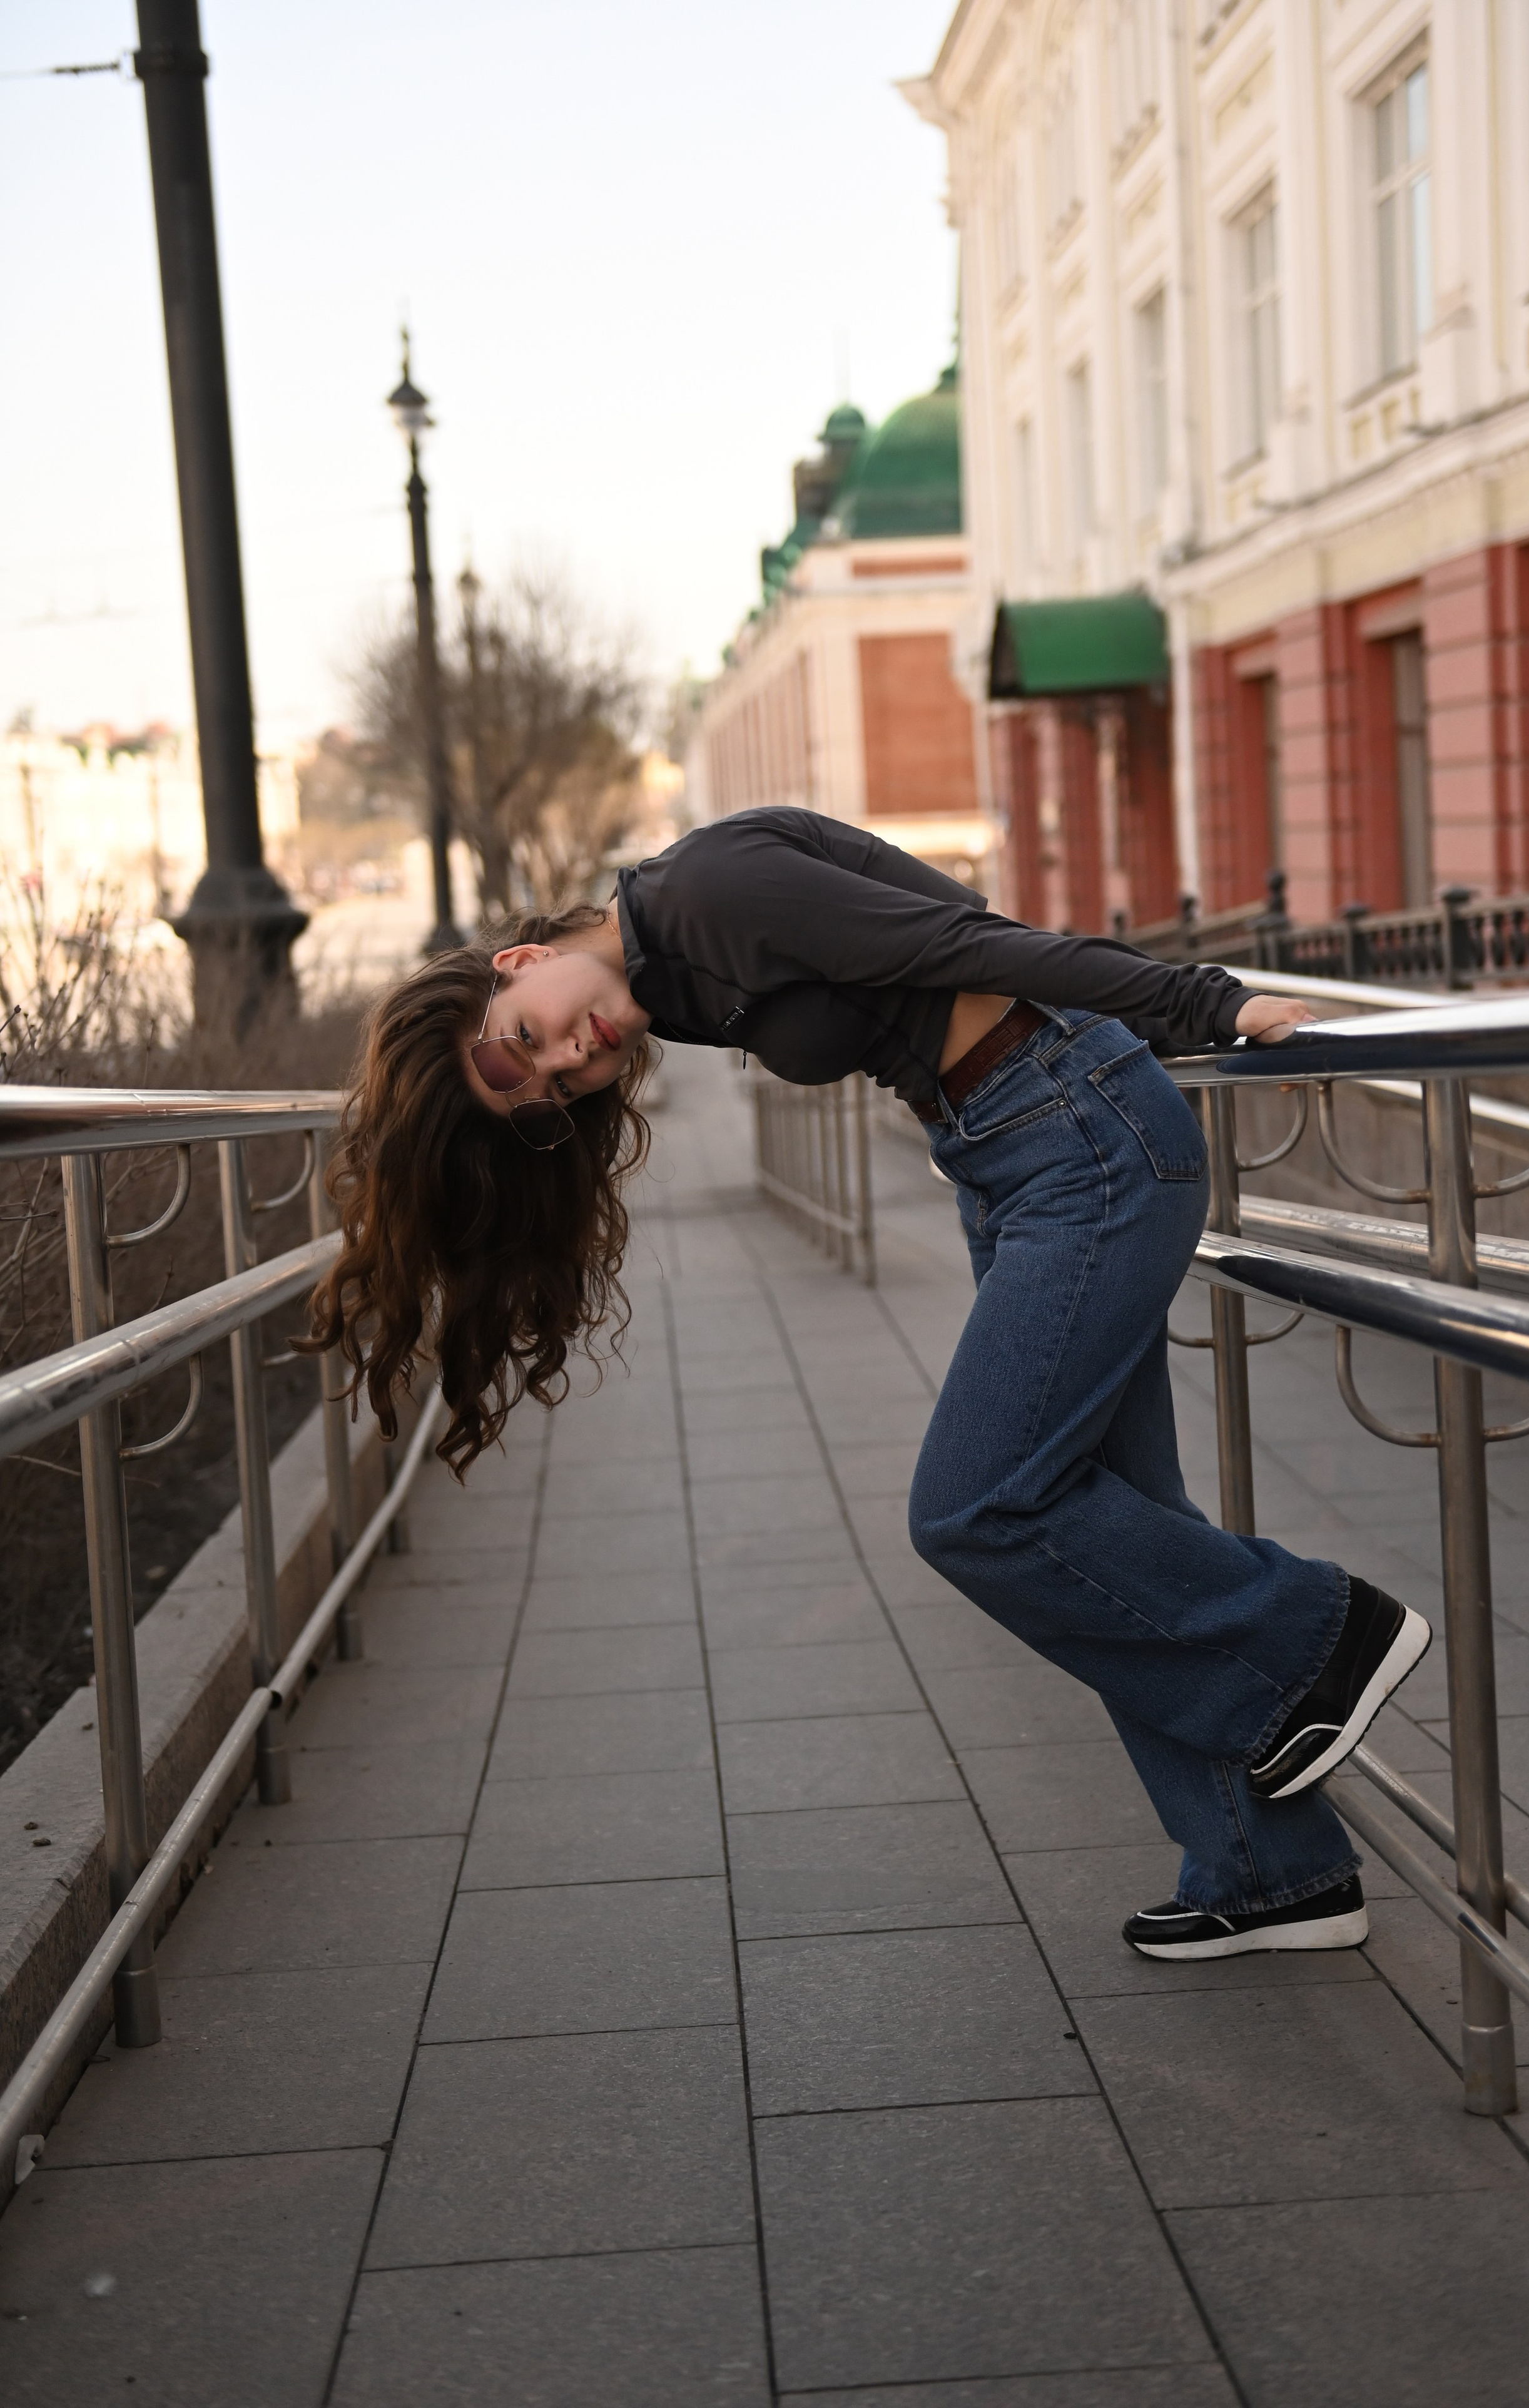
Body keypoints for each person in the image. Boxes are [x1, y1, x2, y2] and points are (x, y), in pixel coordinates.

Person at [310, 805, 1430, 1961]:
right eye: (538, 1090)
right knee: (1121, 1522)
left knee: (977, 1507)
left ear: (518, 962)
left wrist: (1201, 1000)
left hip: (1079, 1138)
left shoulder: (707, 894)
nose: (566, 1061)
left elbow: (971, 945)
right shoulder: (663, 978)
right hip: (1009, 1150)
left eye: (517, 1043)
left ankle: (1317, 1643)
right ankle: (1272, 1871)